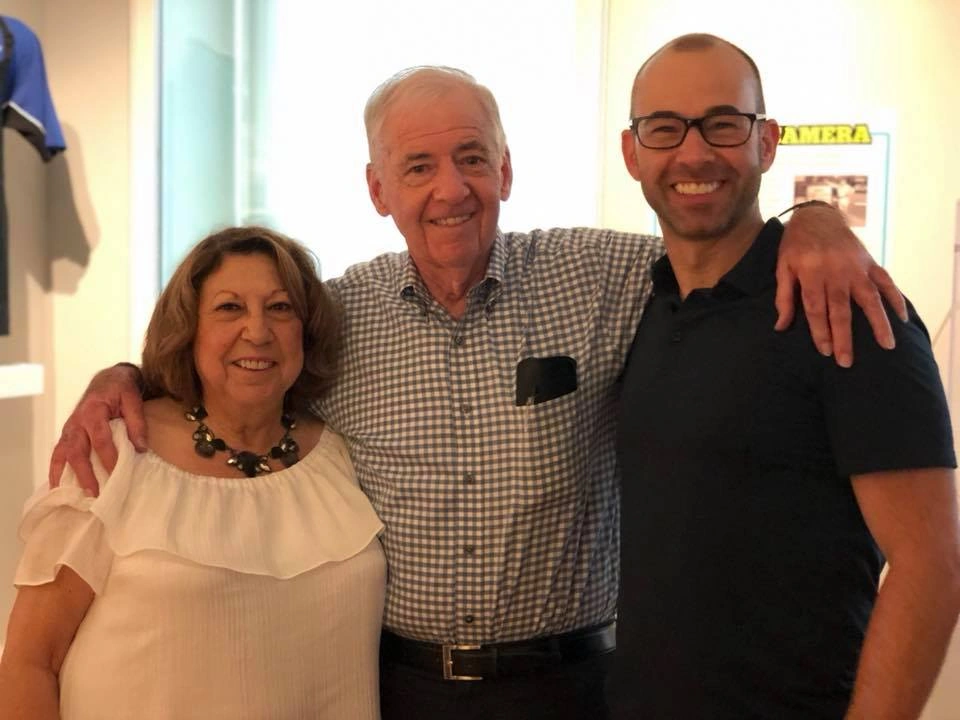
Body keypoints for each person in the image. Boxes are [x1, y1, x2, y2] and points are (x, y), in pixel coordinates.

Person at [46, 67, 907, 720]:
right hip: (398, 689)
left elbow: (716, 243)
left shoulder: (603, 276)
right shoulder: (337, 316)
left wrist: (812, 221)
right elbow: (236, 356)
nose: (450, 189)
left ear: (506, 168)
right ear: (379, 190)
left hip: (572, 687)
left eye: (470, 159)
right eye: (418, 166)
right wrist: (118, 379)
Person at [612, 33, 960, 720]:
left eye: (723, 123)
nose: (693, 152)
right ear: (632, 153)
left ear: (766, 142)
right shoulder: (644, 306)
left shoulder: (846, 309)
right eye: (664, 127)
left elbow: (933, 561)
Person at [0, 227, 386, 719]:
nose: (258, 331)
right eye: (229, 307)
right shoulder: (113, 455)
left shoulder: (339, 455)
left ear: (306, 331)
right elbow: (29, 663)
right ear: (188, 329)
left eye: (280, 307)